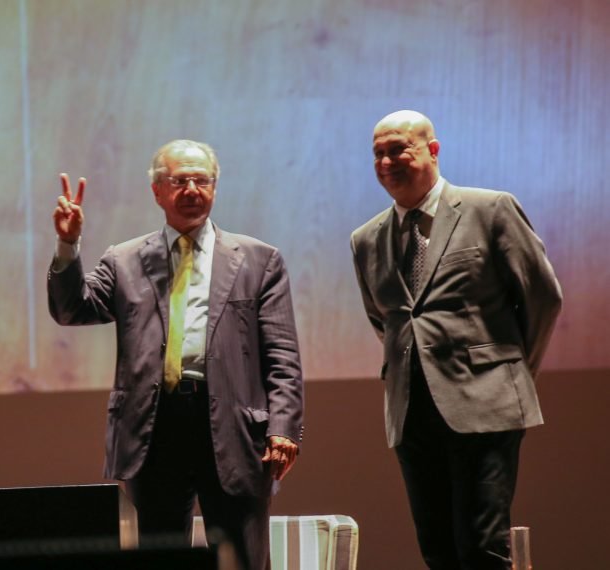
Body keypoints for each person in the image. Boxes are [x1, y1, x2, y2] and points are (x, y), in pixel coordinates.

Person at [47, 140, 304, 570]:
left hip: (234, 426)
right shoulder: (124, 260)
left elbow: (282, 354)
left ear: (215, 187)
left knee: (243, 557)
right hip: (154, 427)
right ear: (157, 191)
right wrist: (68, 244)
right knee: (160, 554)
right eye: (179, 181)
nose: (192, 190)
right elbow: (71, 309)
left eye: (201, 180)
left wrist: (283, 428)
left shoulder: (259, 260)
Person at [350, 110, 563, 569]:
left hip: (486, 402)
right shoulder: (365, 239)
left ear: (433, 150)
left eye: (398, 149)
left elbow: (542, 297)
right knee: (437, 549)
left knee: (482, 546)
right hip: (411, 411)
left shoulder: (491, 209)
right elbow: (386, 321)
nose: (386, 162)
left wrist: (511, 371)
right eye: (378, 153)